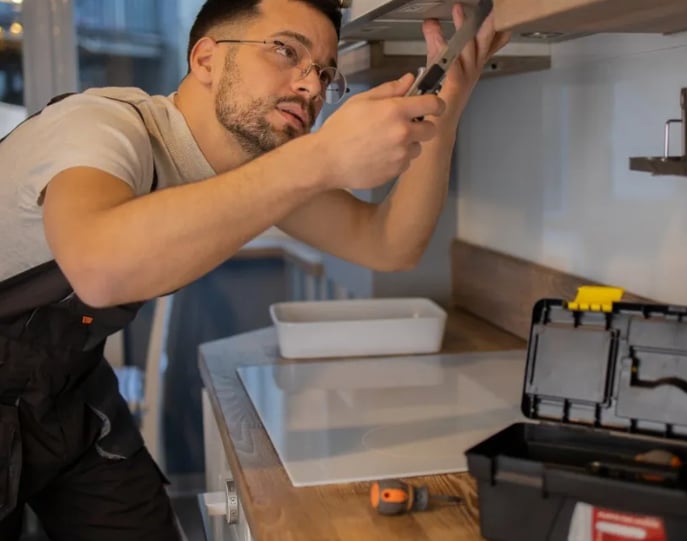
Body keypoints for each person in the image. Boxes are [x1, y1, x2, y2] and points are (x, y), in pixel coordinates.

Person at [0, 0, 510, 538]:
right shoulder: (101, 126)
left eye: (324, 73)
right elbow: (99, 268)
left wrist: (446, 106)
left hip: (67, 396)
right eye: (286, 50)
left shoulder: (257, 163)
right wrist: (320, 158)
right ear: (205, 60)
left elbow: (387, 244)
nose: (312, 87)